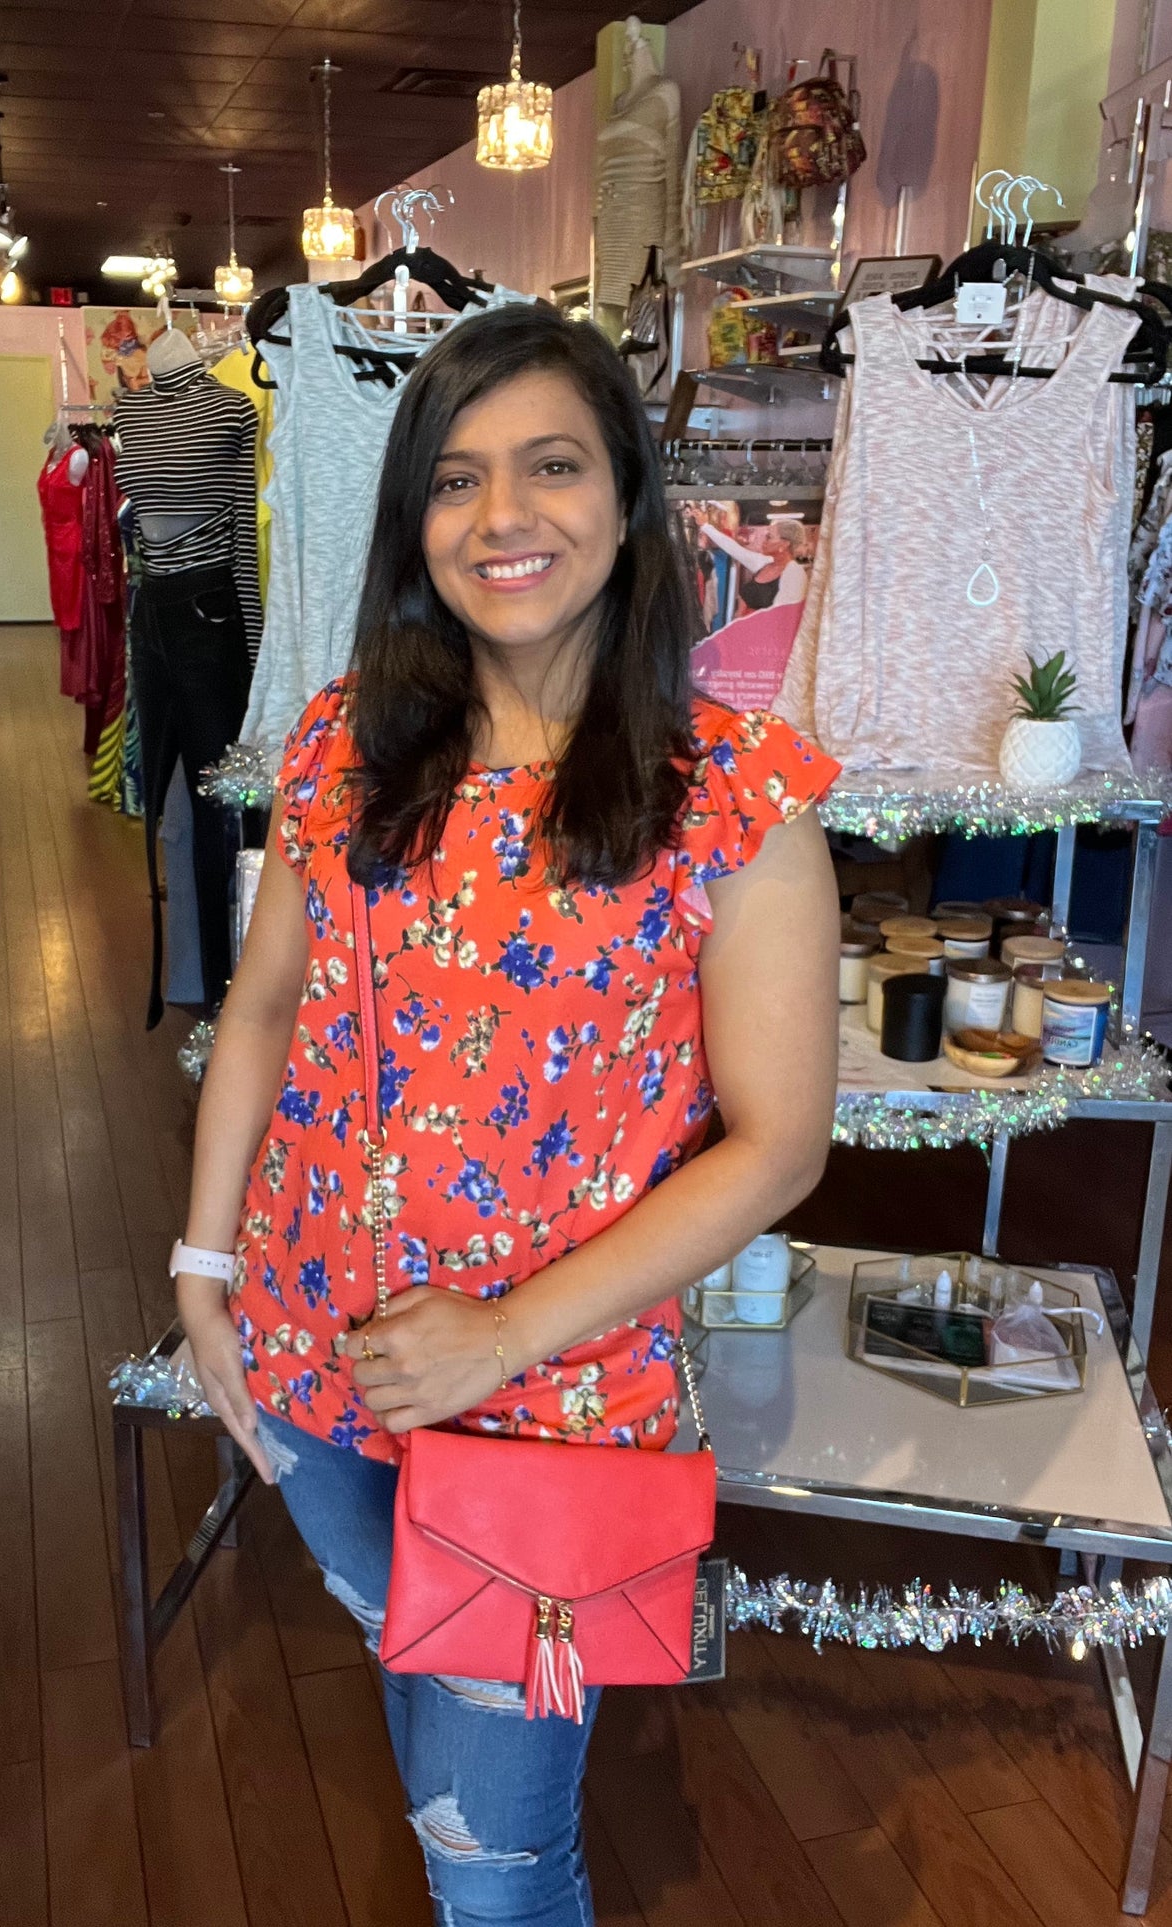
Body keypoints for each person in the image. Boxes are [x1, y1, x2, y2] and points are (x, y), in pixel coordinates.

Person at [173, 304, 841, 1926]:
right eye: (456, 480)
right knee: (417, 1710)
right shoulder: (344, 743)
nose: (501, 519)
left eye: (549, 466)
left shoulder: (729, 793)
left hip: (546, 1403)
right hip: (308, 1357)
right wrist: (203, 1272)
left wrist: (500, 1335)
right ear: (415, 522)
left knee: (494, 1849)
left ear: (628, 497)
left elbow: (779, 1142)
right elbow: (264, 1004)